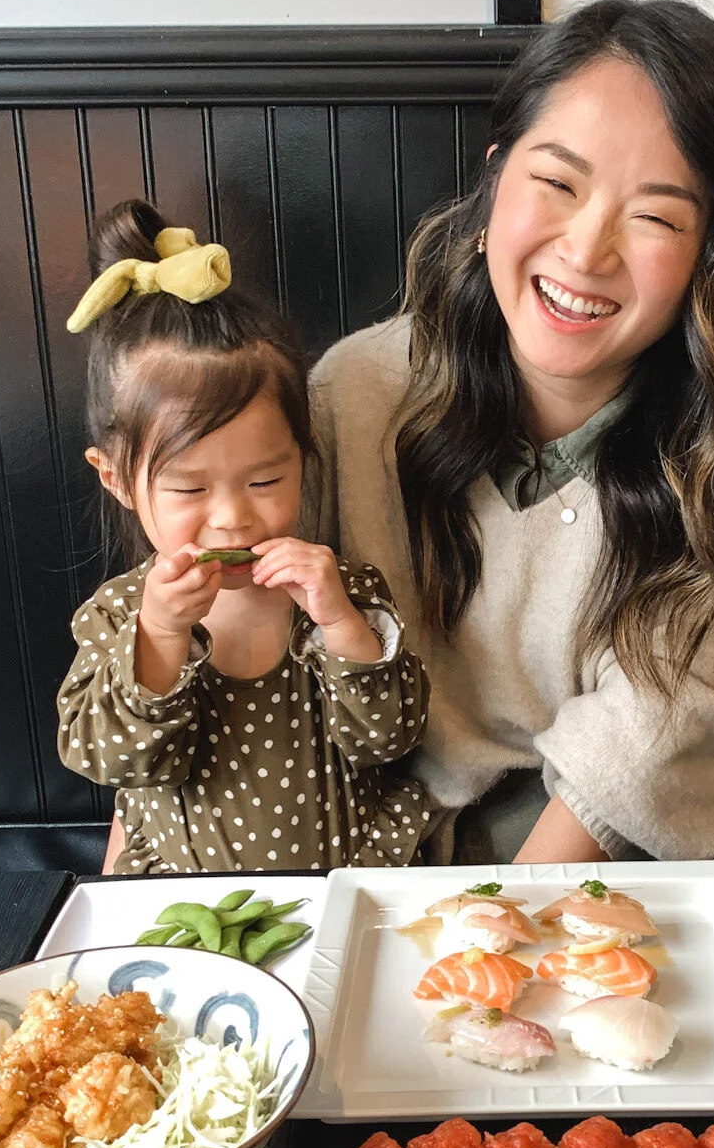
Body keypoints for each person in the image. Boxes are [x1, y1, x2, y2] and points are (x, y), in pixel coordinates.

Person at [307, 0, 714, 866]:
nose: (585, 251)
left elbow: (656, 739)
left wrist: (496, 925)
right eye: (558, 184)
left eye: (656, 217)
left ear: (711, 255)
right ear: (496, 181)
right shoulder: (354, 390)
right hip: (433, 844)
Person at [56, 199, 432, 875]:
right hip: (180, 896)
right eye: (189, 490)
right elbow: (113, 760)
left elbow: (389, 739)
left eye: (265, 480)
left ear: (304, 458)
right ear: (116, 480)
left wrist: (340, 623)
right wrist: (161, 634)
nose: (232, 518)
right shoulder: (118, 616)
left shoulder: (342, 591)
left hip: (344, 884)